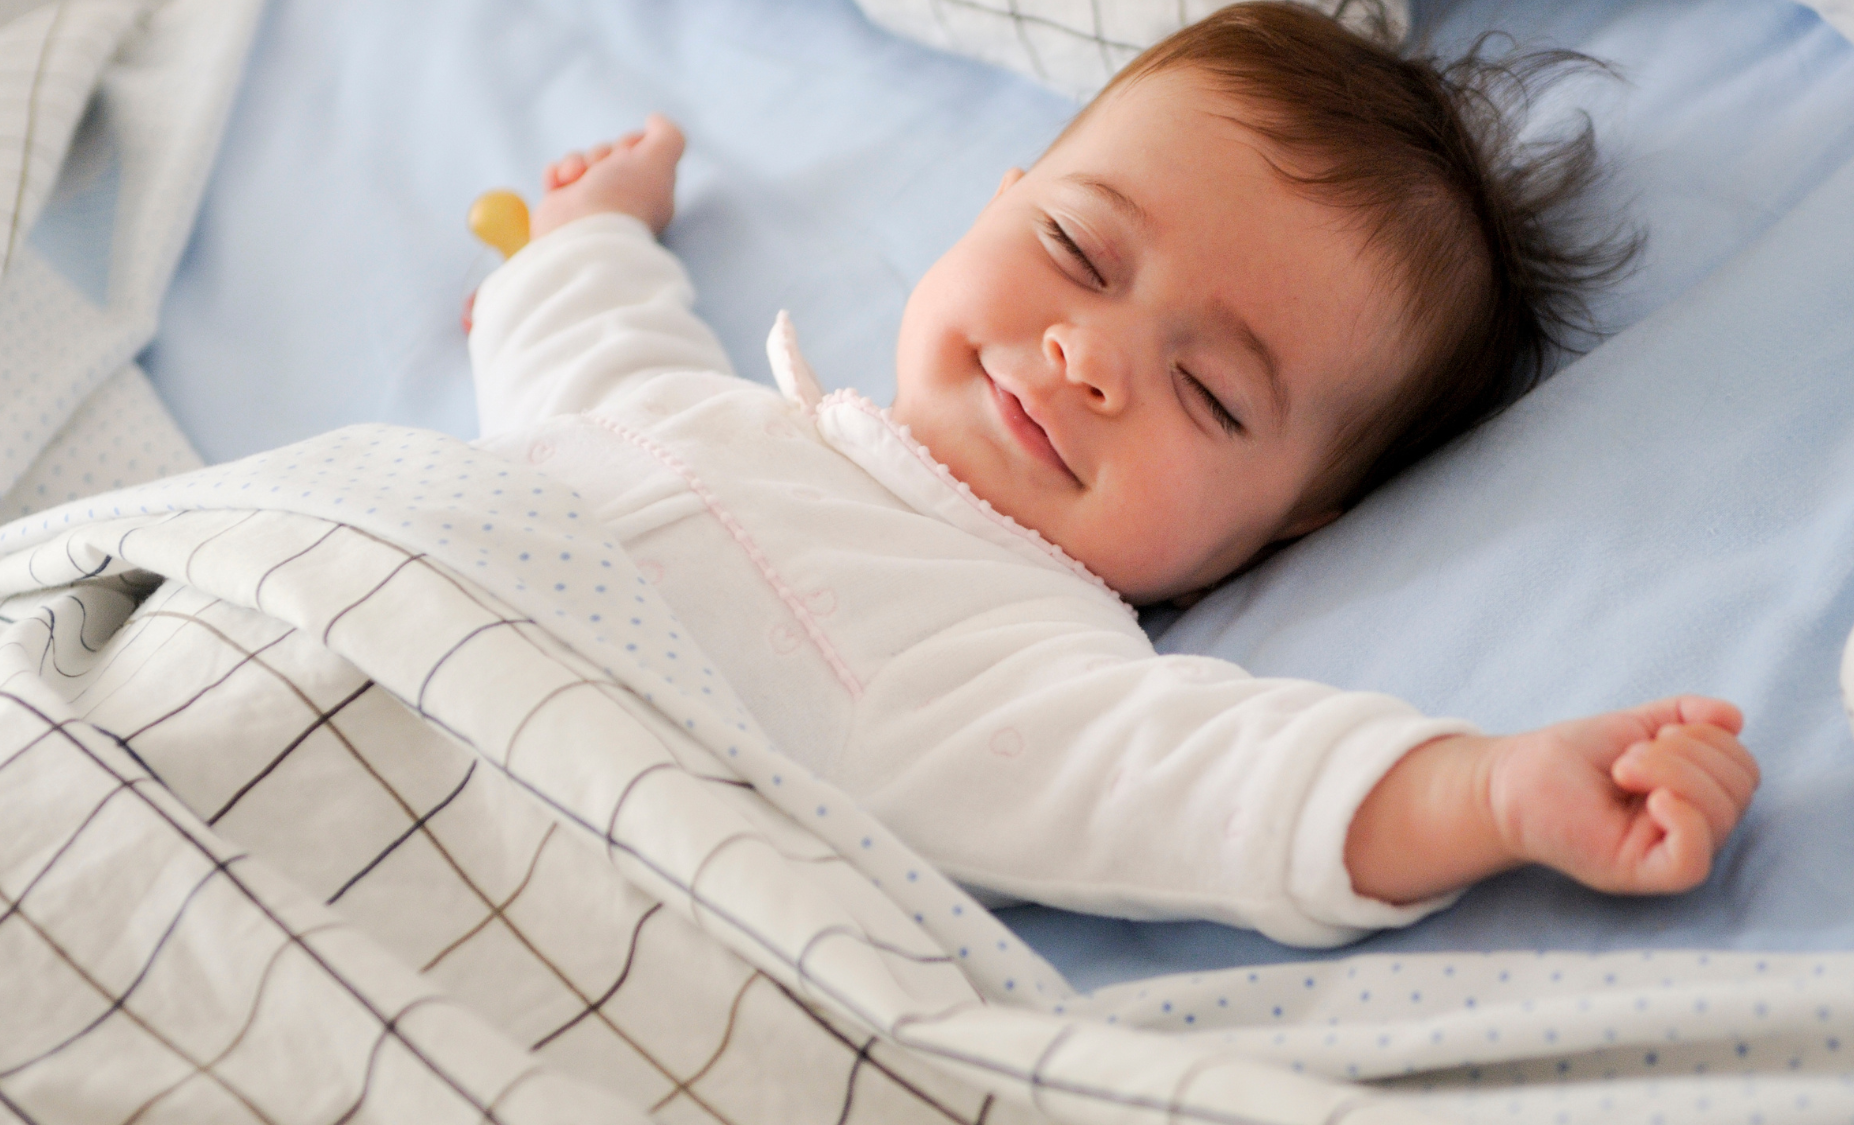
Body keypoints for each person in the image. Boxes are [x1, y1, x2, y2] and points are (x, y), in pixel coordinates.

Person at [468, 2, 1758, 946]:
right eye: (1078, 248)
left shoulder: (1004, 658)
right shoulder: (696, 413)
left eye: (1209, 394)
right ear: (1001, 197)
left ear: (1298, 522)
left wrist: (1489, 792)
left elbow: (1206, 786)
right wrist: (591, 235)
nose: (1089, 358)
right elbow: (593, 351)